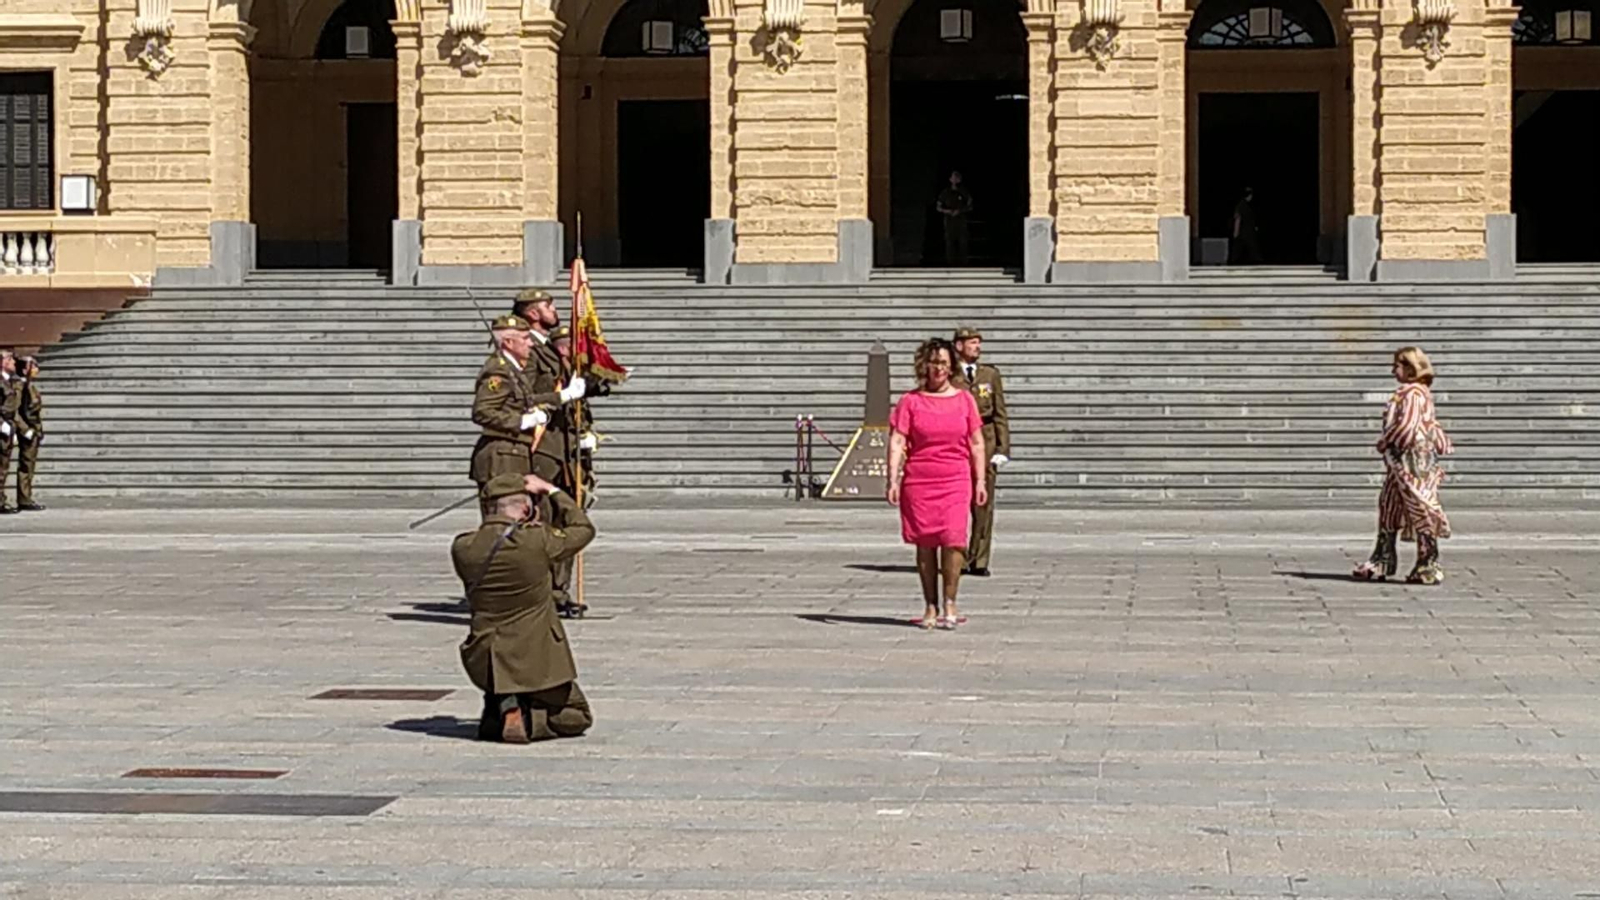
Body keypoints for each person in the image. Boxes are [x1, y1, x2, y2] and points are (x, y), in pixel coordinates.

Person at [452, 472, 596, 743]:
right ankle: (529, 718)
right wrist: (553, 491)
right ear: (527, 508)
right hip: (537, 655)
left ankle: (505, 703)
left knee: (505, 682)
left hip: (487, 656)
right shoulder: (536, 540)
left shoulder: (463, 546)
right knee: (577, 715)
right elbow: (583, 529)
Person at [887, 338, 988, 630]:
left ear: (951, 366)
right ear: (924, 366)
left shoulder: (964, 400)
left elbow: (977, 442)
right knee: (925, 543)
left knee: (954, 540)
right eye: (933, 363)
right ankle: (930, 605)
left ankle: (950, 601)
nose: (939, 369)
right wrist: (892, 478)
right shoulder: (910, 401)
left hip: (955, 478)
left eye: (944, 363)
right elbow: (897, 440)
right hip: (920, 480)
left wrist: (980, 480)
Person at [1354, 347, 1454, 585]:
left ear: (1410, 368)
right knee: (1390, 503)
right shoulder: (1419, 393)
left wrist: (1386, 440)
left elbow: (1408, 427)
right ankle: (1382, 560)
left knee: (1419, 506)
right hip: (1404, 462)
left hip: (1410, 462)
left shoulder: (1412, 394)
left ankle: (1428, 563)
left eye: (1397, 365)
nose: (1393, 370)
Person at [516, 289, 588, 614]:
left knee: (568, 519)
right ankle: (540, 593)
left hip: (568, 448)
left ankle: (559, 593)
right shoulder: (526, 349)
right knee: (542, 521)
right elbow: (525, 396)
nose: (554, 309)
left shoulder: (548, 348)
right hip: (542, 448)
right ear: (532, 312)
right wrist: (561, 398)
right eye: (548, 305)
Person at [469, 314, 559, 500]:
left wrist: (556, 399)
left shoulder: (513, 369)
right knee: (504, 518)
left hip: (514, 453)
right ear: (509, 342)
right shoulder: (498, 370)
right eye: (525, 339)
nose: (531, 344)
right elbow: (482, 412)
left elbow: (520, 401)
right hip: (502, 457)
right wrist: (522, 421)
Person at [952, 326, 1010, 576]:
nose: (977, 347)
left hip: (985, 441)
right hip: (957, 440)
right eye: (972, 342)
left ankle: (980, 559)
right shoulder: (949, 374)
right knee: (956, 503)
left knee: (983, 504)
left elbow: (1000, 414)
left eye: (978, 342)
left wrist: (1002, 448)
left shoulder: (990, 374)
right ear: (959, 346)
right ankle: (958, 558)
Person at [13, 357, 43, 512]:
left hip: (34, 429)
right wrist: (25, 430)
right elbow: (15, 411)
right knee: (25, 465)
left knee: (29, 465)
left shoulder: (29, 385)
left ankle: (26, 496)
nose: (36, 368)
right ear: (25, 369)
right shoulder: (20, 386)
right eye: (33, 365)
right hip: (27, 431)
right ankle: (24, 498)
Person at [936, 171, 973, 266]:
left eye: (957, 178)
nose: (955, 180)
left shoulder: (964, 192)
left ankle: (963, 263)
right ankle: (950, 263)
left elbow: (970, 205)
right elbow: (938, 207)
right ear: (950, 179)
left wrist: (960, 211)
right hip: (949, 219)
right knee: (949, 241)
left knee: (963, 240)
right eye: (953, 177)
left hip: (961, 219)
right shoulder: (945, 192)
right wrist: (947, 211)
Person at [0, 350, 20, 515]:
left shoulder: (9, 382)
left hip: (8, 427)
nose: (13, 361)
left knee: (3, 468)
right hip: (1, 428)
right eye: (9, 358)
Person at [1231, 186, 1262, 264]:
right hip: (1245, 232)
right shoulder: (1242, 206)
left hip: (1246, 231)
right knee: (1249, 248)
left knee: (1241, 248)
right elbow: (1238, 219)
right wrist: (1236, 232)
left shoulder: (1245, 205)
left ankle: (1233, 261)